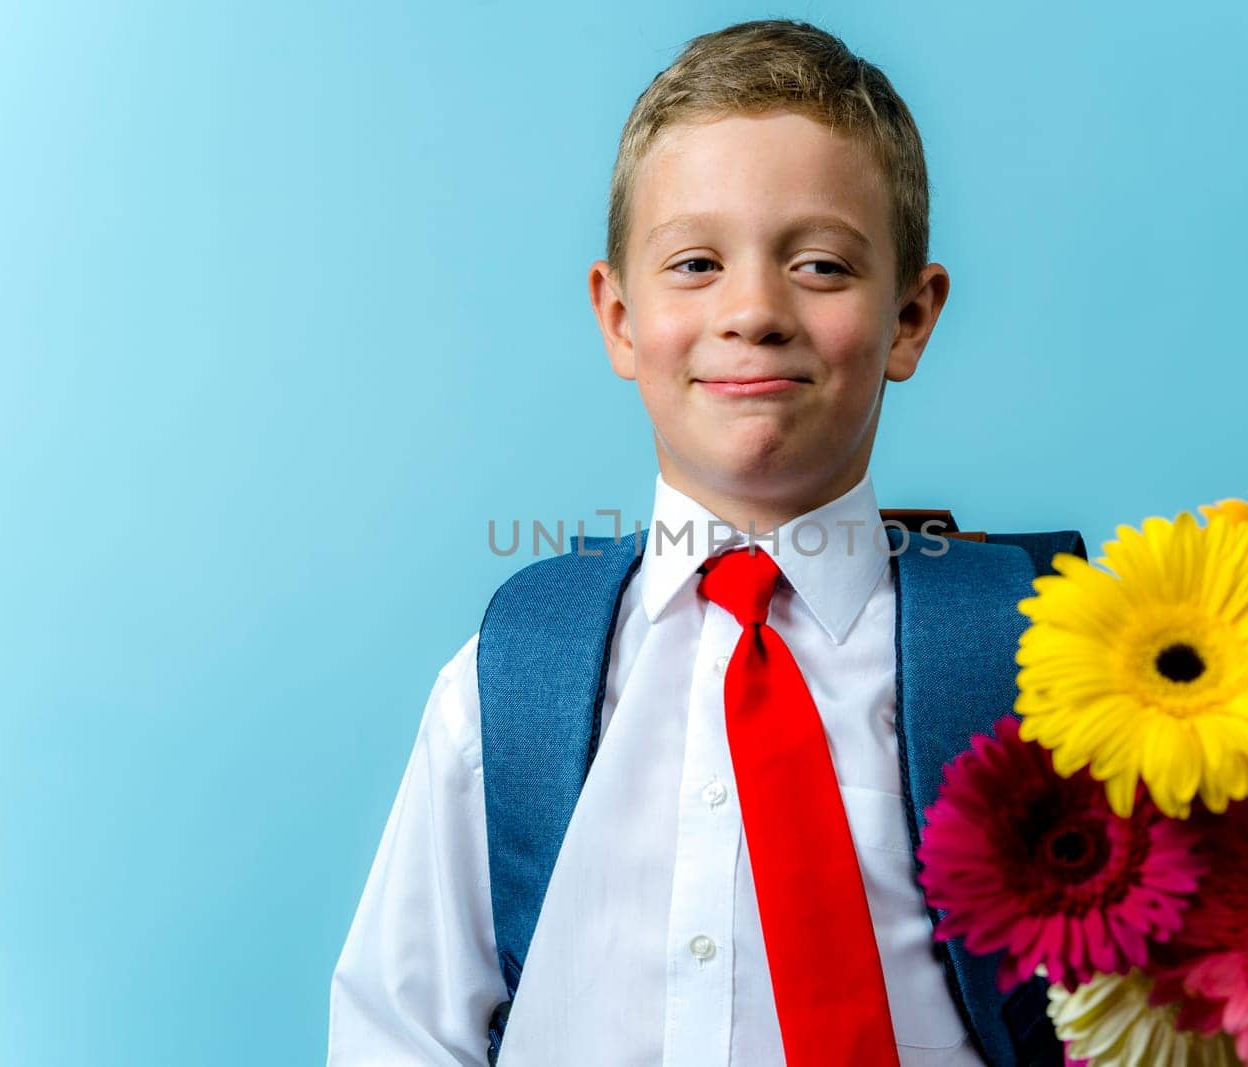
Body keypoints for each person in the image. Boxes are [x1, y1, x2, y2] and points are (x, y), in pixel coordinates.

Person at [329, 18, 1064, 1066]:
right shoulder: (506, 686)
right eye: (696, 263)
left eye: (818, 263)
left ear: (909, 316)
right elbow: (397, 1035)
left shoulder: (1034, 663)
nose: (753, 310)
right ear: (620, 318)